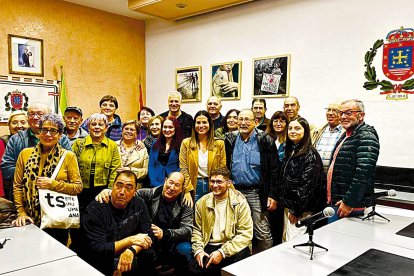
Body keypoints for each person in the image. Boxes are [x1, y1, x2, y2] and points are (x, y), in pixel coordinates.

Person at [96, 171, 193, 274]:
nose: (172, 187)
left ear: (182, 188)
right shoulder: (149, 193)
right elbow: (127, 194)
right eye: (170, 182)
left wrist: (164, 233)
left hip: (169, 242)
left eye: (177, 185)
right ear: (165, 181)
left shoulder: (185, 203)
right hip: (145, 237)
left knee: (185, 249)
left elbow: (187, 230)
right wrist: (108, 191)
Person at [12, 114, 82, 245]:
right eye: (44, 130)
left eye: (53, 131)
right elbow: (17, 186)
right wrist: (21, 212)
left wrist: (53, 184)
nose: (48, 134)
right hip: (30, 219)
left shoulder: (68, 156)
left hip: (55, 221)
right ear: (39, 133)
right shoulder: (25, 154)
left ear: (60, 135)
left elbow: (78, 187)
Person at [224, 109, 279, 253]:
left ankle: (266, 264)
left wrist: (272, 194)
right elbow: (226, 165)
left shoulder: (265, 140)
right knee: (236, 230)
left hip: (257, 192)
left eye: (247, 119)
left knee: (262, 232)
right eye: (240, 119)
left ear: (255, 122)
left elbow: (274, 170)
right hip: (235, 192)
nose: (243, 123)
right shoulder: (230, 140)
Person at [82, 170, 156, 275]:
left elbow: (149, 235)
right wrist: (130, 240)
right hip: (99, 257)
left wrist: (131, 250)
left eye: (128, 188)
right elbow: (98, 249)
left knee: (149, 254)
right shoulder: (96, 209)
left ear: (135, 192)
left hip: (126, 252)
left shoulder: (139, 203)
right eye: (119, 185)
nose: (122, 192)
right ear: (112, 186)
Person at [71, 113, 121, 255]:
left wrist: (110, 189)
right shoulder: (78, 144)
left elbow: (115, 169)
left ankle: (95, 253)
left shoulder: (112, 146)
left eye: (101, 124)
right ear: (88, 126)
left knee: (97, 223)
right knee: (78, 223)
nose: (97, 127)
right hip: (80, 191)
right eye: (94, 124)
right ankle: (78, 253)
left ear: (106, 128)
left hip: (102, 192)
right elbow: (71, 166)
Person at [2, 103, 71, 200]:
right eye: (31, 114)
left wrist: (49, 181)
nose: (35, 117)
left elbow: (69, 167)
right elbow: (7, 167)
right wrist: (32, 177)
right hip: (23, 194)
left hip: (55, 194)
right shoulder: (15, 139)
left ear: (48, 116)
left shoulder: (62, 139)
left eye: (40, 114)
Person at [190, 167, 253, 276]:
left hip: (233, 245)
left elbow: (245, 234)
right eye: (212, 181)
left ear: (229, 183)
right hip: (209, 245)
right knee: (193, 268)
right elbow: (196, 231)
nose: (214, 185)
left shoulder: (240, 202)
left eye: (219, 182)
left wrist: (222, 252)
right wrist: (198, 250)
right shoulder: (202, 203)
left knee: (237, 267)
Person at [327, 99, 380, 222]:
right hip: (338, 202)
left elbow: (364, 173)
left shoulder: (366, 136)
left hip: (349, 206)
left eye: (349, 113)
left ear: (361, 115)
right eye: (341, 113)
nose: (343, 117)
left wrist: (349, 201)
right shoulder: (347, 135)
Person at [278, 117, 324, 242]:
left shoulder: (310, 154)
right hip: (289, 206)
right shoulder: (291, 151)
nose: (293, 131)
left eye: (297, 128)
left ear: (306, 132)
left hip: (300, 209)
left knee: (295, 242)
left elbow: (306, 187)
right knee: (286, 240)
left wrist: (296, 210)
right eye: (290, 128)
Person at [179, 110, 226, 207]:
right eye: (198, 122)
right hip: (193, 185)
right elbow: (183, 168)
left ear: (210, 124)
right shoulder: (186, 143)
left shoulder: (219, 144)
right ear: (194, 124)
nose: (201, 125)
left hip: (213, 185)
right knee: (193, 216)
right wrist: (187, 190)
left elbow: (222, 168)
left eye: (204, 122)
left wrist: (217, 186)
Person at [0, 111, 29, 198]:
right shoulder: (2, 142)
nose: (19, 126)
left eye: (23, 122)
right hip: (9, 189)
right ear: (9, 126)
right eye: (14, 123)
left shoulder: (34, 141)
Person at [148, 116, 183, 187]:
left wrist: (171, 182)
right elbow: (151, 165)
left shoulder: (181, 145)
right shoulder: (155, 144)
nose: (167, 130)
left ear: (176, 128)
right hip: (155, 183)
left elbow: (181, 166)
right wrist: (154, 182)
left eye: (170, 127)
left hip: (173, 184)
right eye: (165, 127)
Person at [312, 101, 344, 173]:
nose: (330, 113)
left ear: (342, 114)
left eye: (335, 110)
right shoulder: (318, 131)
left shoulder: (345, 133)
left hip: (335, 176)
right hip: (317, 176)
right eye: (328, 110)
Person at [116, 120, 148, 189]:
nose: (129, 131)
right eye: (126, 129)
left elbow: (146, 171)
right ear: (122, 131)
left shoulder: (142, 149)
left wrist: (130, 171)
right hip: (115, 185)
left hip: (135, 187)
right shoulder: (113, 146)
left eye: (132, 130)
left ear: (137, 133)